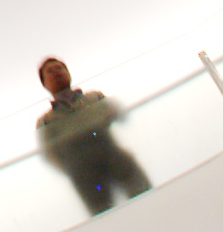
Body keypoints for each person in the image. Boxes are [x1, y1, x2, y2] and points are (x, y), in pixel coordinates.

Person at [33, 57, 149, 214]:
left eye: (59, 68)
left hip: (115, 158)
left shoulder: (94, 98)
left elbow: (118, 115)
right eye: (49, 71)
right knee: (104, 217)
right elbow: (50, 154)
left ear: (68, 73)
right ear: (44, 83)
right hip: (85, 177)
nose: (56, 73)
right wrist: (74, 170)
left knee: (145, 195)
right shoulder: (46, 122)